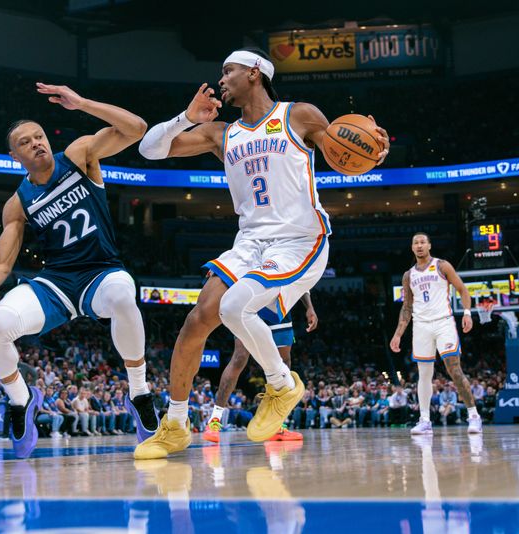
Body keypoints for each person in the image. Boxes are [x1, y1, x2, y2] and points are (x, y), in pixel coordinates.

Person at [133, 49, 389, 459]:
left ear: (254, 73)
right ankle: (176, 425)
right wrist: (187, 118)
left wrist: (371, 149)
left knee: (235, 308)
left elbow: (344, 151)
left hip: (299, 239)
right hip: (250, 242)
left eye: (228, 70)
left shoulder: (299, 115)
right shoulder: (220, 133)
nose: (221, 79)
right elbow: (149, 150)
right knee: (197, 320)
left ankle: (282, 385)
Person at [0, 83, 156, 459]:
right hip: (57, 282)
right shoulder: (17, 204)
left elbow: (136, 128)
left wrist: (81, 103)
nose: (36, 143)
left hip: (101, 271)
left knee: (122, 294)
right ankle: (22, 399)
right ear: (14, 155)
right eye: (25, 142)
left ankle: (139, 392)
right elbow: (0, 265)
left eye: (40, 136)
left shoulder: (79, 154)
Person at [390, 232, 483, 435]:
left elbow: (462, 290)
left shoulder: (442, 265)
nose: (420, 245)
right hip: (421, 326)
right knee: (423, 374)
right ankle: (425, 421)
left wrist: (467, 313)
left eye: (423, 242)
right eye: (416, 243)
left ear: (429, 245)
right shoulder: (409, 275)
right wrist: (398, 334)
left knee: (454, 370)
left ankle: (474, 415)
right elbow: (406, 307)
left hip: (443, 323)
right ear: (412, 248)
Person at [202, 293, 317, 443]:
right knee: (239, 358)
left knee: (283, 363)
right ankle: (214, 420)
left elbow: (301, 278)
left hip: (279, 305)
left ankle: (276, 425)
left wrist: (309, 306)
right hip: (251, 300)